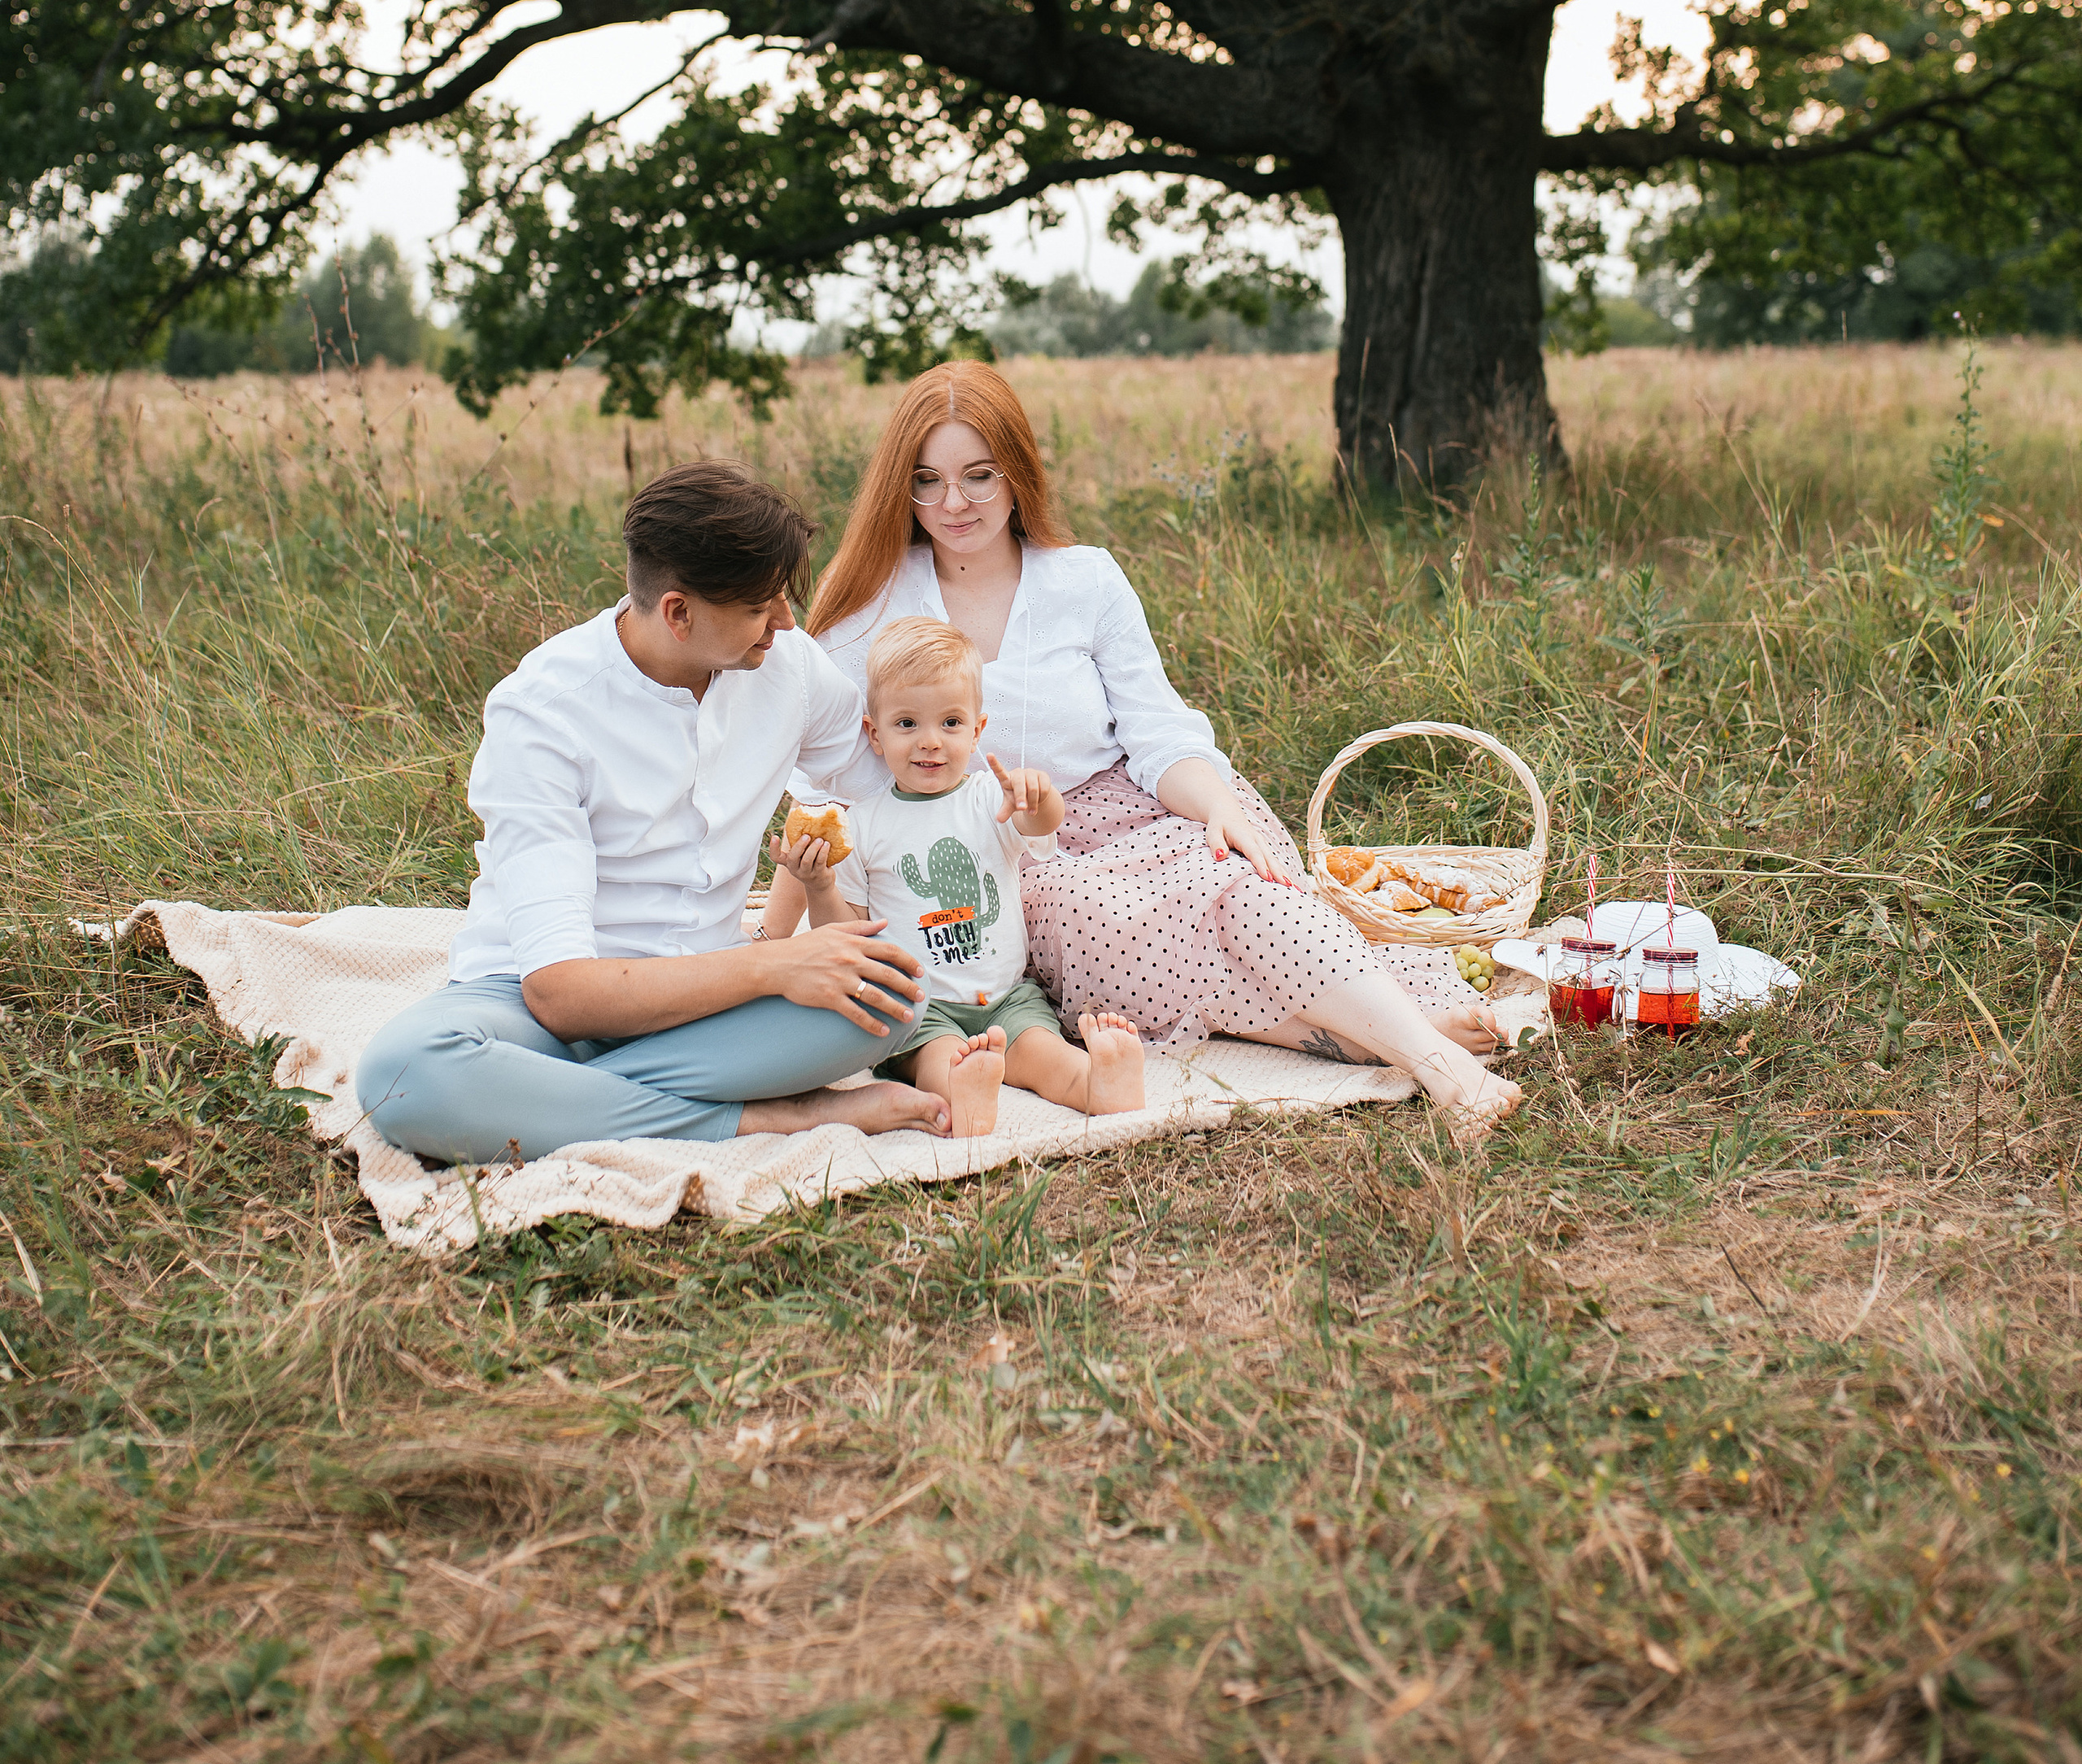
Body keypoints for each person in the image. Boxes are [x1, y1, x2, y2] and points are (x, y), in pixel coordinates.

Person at [803, 361, 1520, 1144]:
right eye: (927, 481)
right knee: (1110, 918)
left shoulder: (1086, 579)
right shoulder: (874, 599)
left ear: (1018, 472)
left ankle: (1441, 1068)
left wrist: (1216, 804)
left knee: (1243, 890)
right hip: (1010, 852)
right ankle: (1387, 1026)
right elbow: (831, 753)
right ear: (900, 489)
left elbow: (1159, 731)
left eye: (979, 474)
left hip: (1136, 807)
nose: (954, 502)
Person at [355, 462, 953, 1166]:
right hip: (533, 1009)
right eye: (762, 607)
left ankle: (550, 1104)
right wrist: (775, 966)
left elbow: (886, 779)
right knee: (404, 1076)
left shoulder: (788, 668)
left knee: (893, 995)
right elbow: (560, 994)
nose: (787, 623)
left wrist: (1004, 808)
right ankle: (766, 1119)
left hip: (705, 1005)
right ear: (678, 612)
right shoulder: (542, 711)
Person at [763, 615, 1147, 1138]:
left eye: (949, 723)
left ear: (977, 729)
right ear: (874, 735)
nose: (930, 743)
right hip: (921, 1007)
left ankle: (1101, 1083)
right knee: (939, 1062)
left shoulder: (991, 798)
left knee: (1046, 1056)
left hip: (1007, 995)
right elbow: (845, 931)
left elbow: (1042, 824)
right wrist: (819, 886)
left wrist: (1038, 796)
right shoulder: (864, 824)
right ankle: (965, 1095)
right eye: (906, 724)